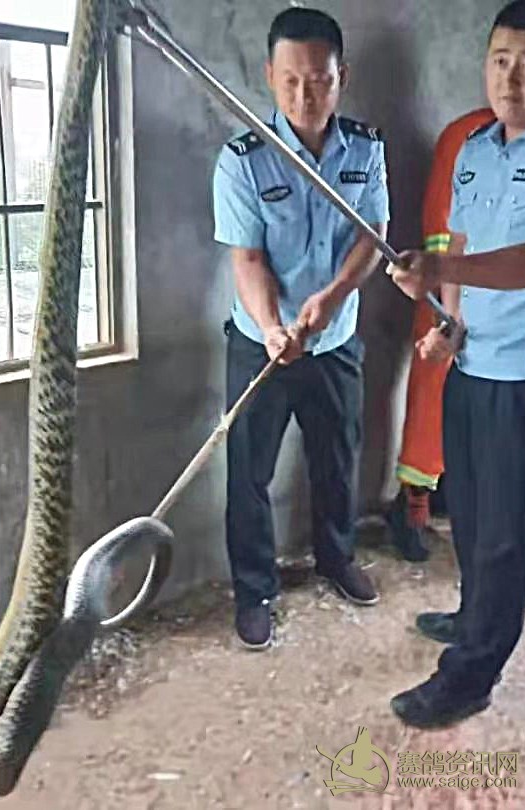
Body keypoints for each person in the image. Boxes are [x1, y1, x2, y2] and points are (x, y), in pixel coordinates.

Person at [389, 0, 525, 727]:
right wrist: (448, 323)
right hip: (474, 361)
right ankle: (472, 617)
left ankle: (470, 677)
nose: (511, 79)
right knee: (467, 506)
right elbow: (457, 245)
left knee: (505, 530)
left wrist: (440, 274)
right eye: (500, 61)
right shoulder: (474, 148)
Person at [213, 6, 390, 650]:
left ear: (342, 77)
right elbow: (248, 259)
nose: (304, 95)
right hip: (261, 343)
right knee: (249, 473)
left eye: (318, 80)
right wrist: (272, 327)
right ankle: (255, 590)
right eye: (289, 80)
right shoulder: (242, 160)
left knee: (337, 459)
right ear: (269, 76)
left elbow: (373, 235)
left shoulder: (366, 150)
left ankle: (336, 559)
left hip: (335, 341)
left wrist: (334, 299)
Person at [387, 107, 495, 563]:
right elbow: (441, 229)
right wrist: (451, 309)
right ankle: (413, 499)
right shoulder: (466, 134)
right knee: (433, 393)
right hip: (457, 289)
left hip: (518, 300)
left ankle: (455, 488)